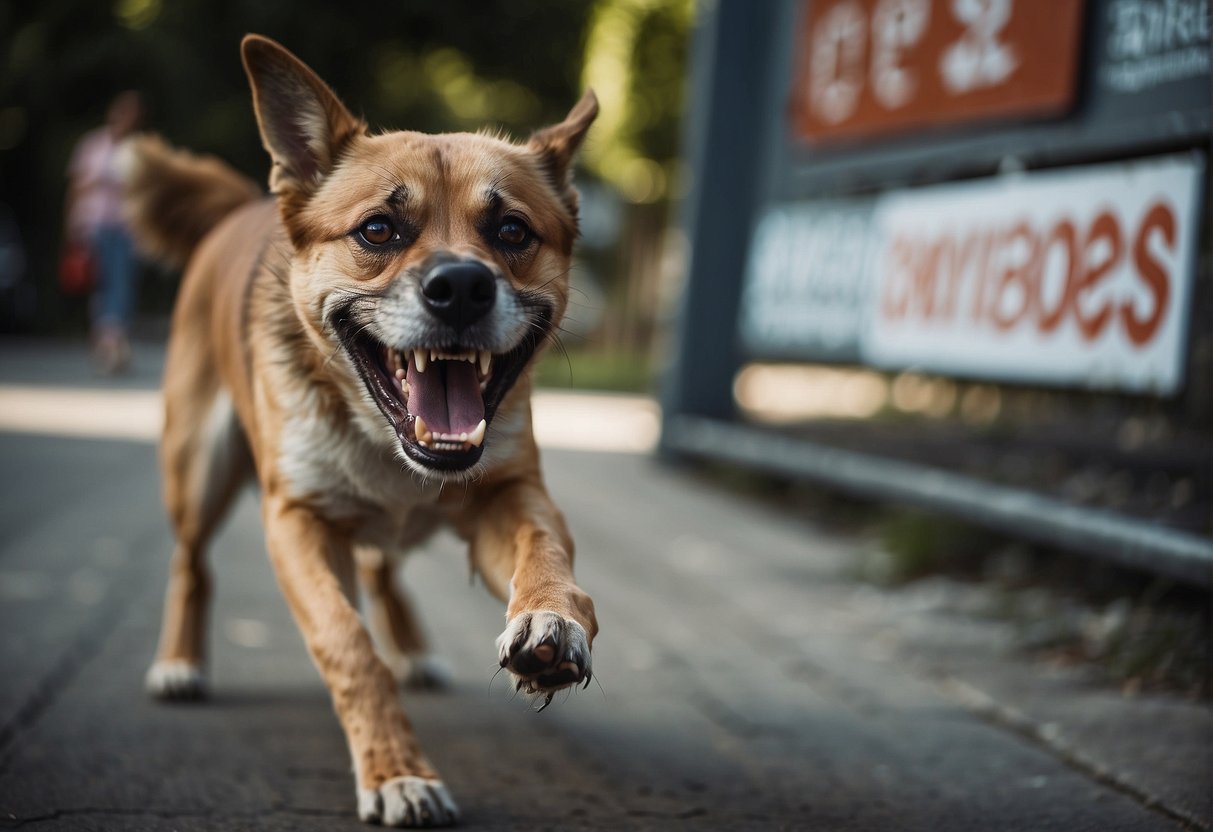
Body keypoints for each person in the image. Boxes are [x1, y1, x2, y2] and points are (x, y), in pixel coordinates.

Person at [65, 91, 143, 374]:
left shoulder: (138, 149)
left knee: (122, 284)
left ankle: (113, 341)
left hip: (126, 227)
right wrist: (71, 226)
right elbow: (76, 188)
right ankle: (107, 341)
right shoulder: (93, 145)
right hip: (94, 224)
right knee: (101, 285)